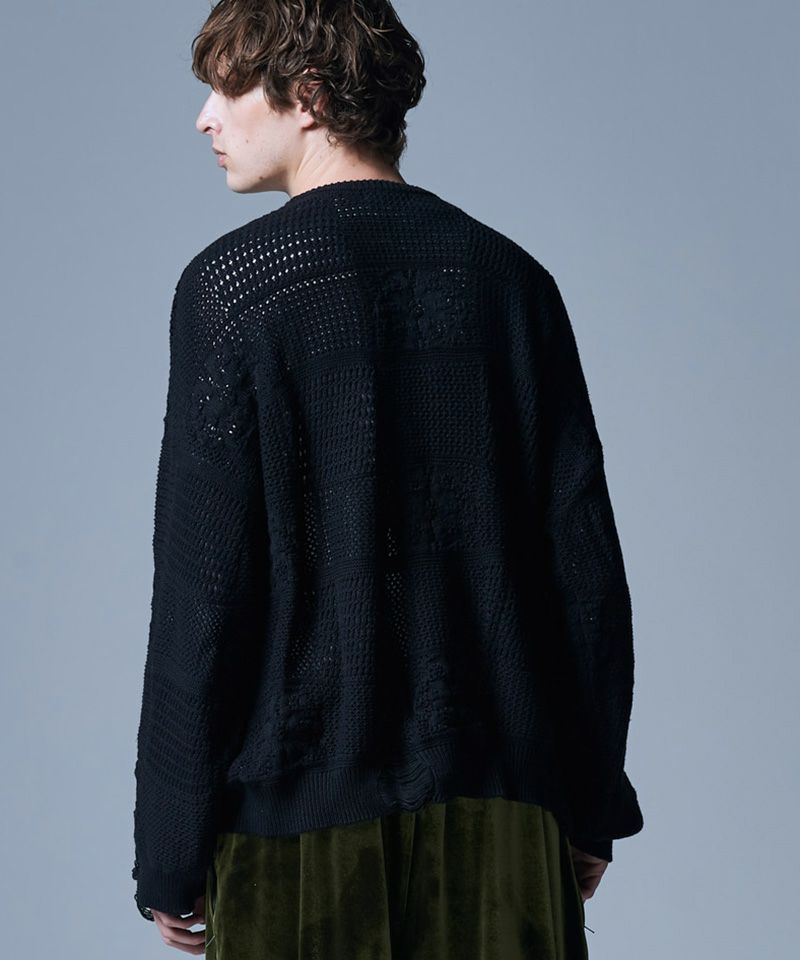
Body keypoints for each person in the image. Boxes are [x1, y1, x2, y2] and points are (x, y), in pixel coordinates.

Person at [131, 0, 644, 956]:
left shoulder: (234, 291)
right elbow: (584, 573)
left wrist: (168, 847)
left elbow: (204, 595)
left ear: (309, 96)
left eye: (229, 89)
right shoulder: (512, 283)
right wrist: (588, 799)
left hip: (294, 838)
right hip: (502, 817)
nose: (205, 118)